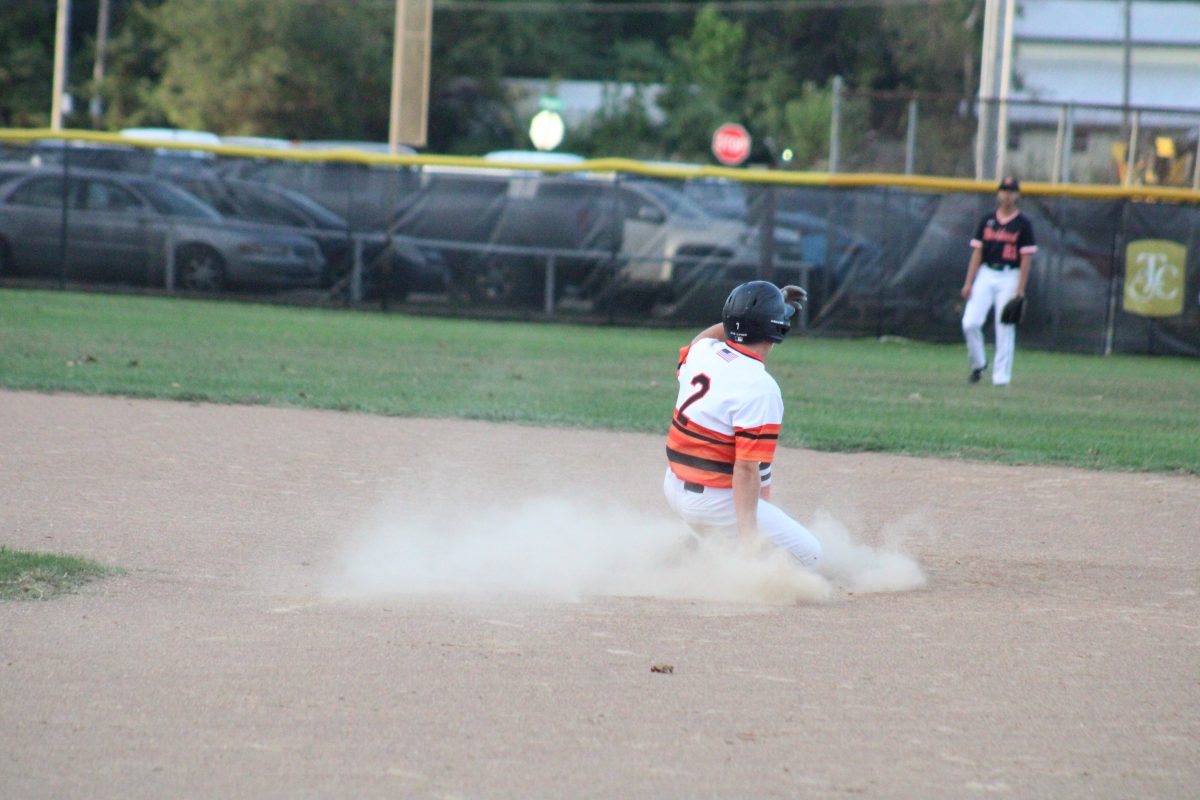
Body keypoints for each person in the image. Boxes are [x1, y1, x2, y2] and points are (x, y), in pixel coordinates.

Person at [662, 280, 821, 567]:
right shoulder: (760, 386)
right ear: (777, 330)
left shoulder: (703, 352)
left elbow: (704, 337)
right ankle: (730, 552)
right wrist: (751, 542)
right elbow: (747, 470)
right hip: (712, 504)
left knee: (746, 508)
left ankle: (702, 544)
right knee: (811, 557)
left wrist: (749, 315)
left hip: (674, 487)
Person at [960, 176, 1037, 386]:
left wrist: (1020, 289)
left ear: (1017, 195)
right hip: (986, 273)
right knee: (970, 323)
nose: (1007, 195)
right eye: (1004, 190)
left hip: (1010, 275)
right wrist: (968, 282)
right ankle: (978, 364)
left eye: (1011, 191)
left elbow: (1026, 258)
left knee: (1005, 326)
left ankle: (1001, 378)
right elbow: (977, 253)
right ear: (998, 193)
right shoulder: (987, 220)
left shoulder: (1023, 224)